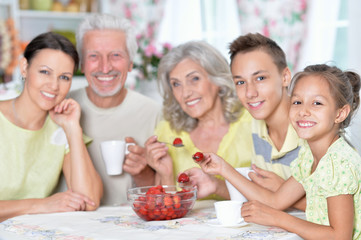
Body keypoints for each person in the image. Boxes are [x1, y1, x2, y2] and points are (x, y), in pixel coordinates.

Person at [200, 64, 361, 239]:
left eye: (317, 103)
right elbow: (275, 201)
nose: (303, 111)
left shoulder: (338, 163)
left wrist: (279, 219)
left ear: (340, 113)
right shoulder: (309, 155)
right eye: (297, 102)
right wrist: (223, 168)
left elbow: (340, 236)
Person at [186, 34, 305, 205]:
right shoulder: (257, 123)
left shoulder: (311, 126)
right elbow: (263, 194)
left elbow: (340, 208)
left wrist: (284, 194)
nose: (250, 93)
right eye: (240, 82)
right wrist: (215, 184)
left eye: (260, 78)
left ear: (285, 77)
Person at [0, 32, 103, 222]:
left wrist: (73, 129)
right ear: (24, 67)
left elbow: (89, 201)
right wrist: (40, 204)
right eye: (45, 72)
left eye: (64, 77)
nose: (54, 86)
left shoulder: (60, 129)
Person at [69, 14, 161, 205]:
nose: (105, 67)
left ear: (130, 63)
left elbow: (162, 191)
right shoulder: (62, 108)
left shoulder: (153, 113)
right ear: (81, 64)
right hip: (69, 222)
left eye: (116, 55)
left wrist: (143, 171)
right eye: (94, 56)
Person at [145, 41, 253, 198]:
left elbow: (273, 197)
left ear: (217, 79)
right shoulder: (168, 131)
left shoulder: (253, 123)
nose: (185, 93)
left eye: (194, 79)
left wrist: (216, 185)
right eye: (176, 84)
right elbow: (163, 208)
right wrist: (166, 174)